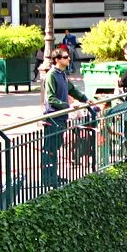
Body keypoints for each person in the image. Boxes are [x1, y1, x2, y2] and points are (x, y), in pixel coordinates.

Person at [41, 47, 88, 188]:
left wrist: (86, 99)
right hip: (53, 117)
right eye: (65, 57)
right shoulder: (52, 75)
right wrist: (68, 106)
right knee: (49, 149)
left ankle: (53, 176)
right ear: (57, 60)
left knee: (55, 147)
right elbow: (50, 98)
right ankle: (48, 178)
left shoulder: (62, 74)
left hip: (61, 117)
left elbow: (72, 89)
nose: (69, 59)